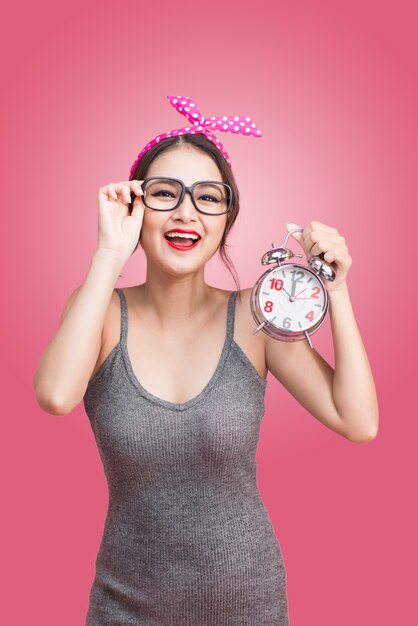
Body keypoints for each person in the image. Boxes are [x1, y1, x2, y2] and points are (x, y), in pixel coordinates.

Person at [33, 95, 379, 626]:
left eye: (208, 197)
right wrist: (109, 252)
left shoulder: (256, 318)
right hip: (123, 607)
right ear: (134, 205)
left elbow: (358, 422)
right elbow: (55, 395)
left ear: (227, 218)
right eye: (165, 193)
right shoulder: (98, 312)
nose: (186, 211)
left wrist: (338, 290)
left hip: (249, 606)